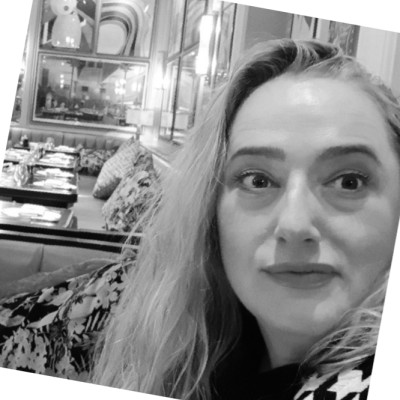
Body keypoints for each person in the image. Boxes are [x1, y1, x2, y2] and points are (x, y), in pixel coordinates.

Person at [0, 39, 399, 400]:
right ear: (212, 213)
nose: (295, 225)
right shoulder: (188, 329)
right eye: (257, 180)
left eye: (349, 181)